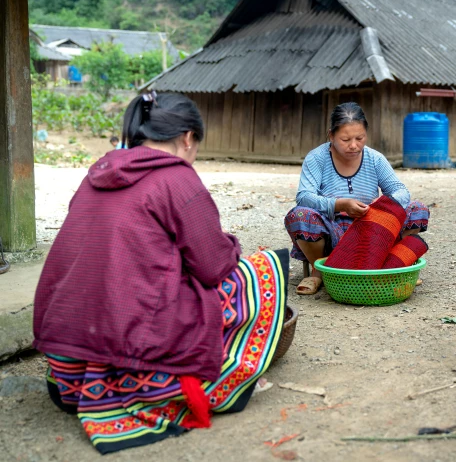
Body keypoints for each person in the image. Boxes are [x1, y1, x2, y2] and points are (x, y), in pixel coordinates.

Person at [33, 91, 289, 454]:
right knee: (260, 272)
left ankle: (90, 378)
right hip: (127, 345)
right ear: (187, 138)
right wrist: (232, 244)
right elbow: (213, 266)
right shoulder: (177, 178)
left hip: (66, 359)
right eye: (196, 146)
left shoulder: (99, 171)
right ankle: (207, 377)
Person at [285, 102, 429, 295]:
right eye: (345, 139)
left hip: (374, 234)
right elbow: (304, 197)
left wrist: (380, 207)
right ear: (331, 135)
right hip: (333, 231)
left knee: (417, 208)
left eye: (360, 138)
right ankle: (320, 270)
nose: (354, 145)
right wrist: (339, 204)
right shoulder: (317, 158)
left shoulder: (375, 158)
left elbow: (400, 191)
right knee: (300, 215)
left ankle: (396, 264)